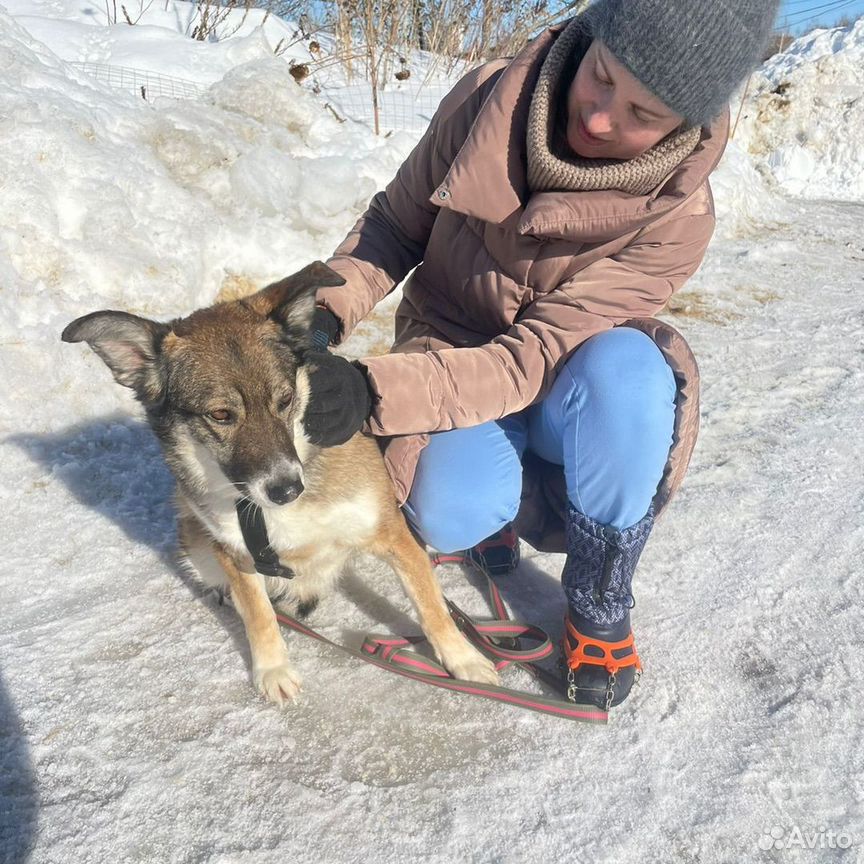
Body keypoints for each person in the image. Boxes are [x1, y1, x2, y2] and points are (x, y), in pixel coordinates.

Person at [300, 0, 779, 710]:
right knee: (452, 508)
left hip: (562, 381)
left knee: (633, 375)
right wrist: (316, 313)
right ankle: (491, 511)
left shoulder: (679, 218)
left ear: (685, 123)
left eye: (642, 114)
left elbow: (530, 359)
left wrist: (371, 393)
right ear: (591, 39)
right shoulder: (487, 101)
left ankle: (598, 601)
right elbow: (394, 227)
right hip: (449, 350)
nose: (599, 118)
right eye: (602, 76)